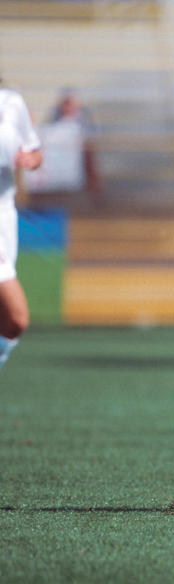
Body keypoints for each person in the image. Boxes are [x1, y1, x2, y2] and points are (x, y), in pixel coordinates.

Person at [0, 80, 43, 371]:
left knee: (10, 326)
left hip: (5, 216)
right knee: (16, 318)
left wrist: (31, 159)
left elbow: (34, 149)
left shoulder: (11, 102)